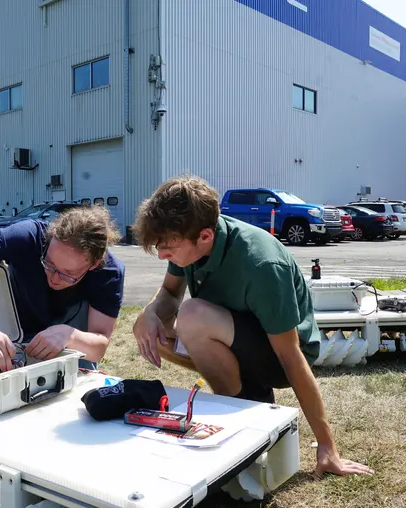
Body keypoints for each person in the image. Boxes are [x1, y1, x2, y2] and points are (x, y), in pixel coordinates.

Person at [131, 175, 374, 478]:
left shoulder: (262, 264)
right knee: (158, 332)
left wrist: (327, 446)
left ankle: (240, 408)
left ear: (205, 236)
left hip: (280, 355)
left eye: (168, 248)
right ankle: (241, 398)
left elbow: (292, 358)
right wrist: (150, 312)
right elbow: (169, 293)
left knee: (192, 315)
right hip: (234, 333)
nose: (163, 255)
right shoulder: (187, 234)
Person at [0, 205, 125, 372]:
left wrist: (71, 336)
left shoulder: (108, 272)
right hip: (15, 345)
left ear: (94, 264)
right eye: (49, 264)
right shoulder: (30, 236)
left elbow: (98, 350)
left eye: (68, 273)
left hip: (72, 357)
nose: (54, 278)